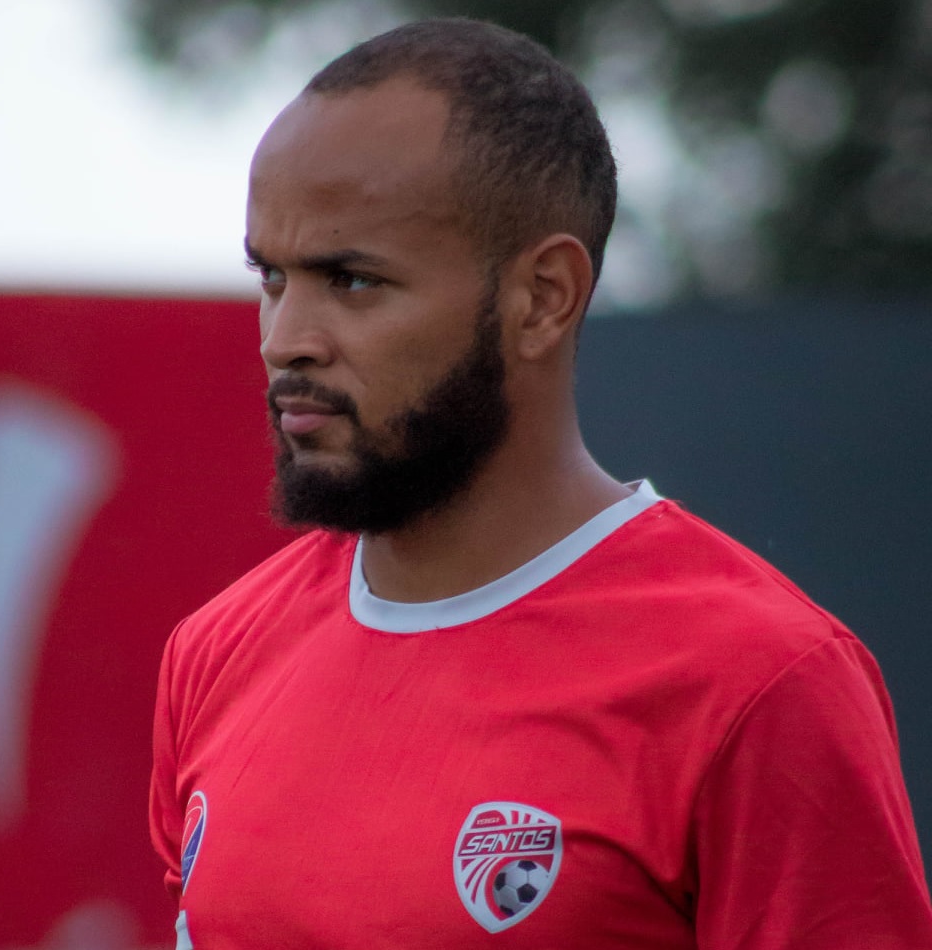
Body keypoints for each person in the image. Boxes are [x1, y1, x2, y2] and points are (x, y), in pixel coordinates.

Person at [149, 18, 932, 949]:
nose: (287, 339)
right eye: (272, 277)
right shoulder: (214, 655)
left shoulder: (760, 682)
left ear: (543, 297)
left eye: (351, 280)